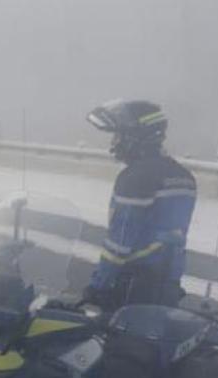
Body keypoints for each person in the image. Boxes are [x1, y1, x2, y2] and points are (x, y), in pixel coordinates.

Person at [83, 100, 196, 312]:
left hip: (131, 286)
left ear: (135, 136)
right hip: (168, 284)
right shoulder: (184, 176)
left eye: (118, 136)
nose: (114, 144)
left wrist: (98, 286)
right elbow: (177, 236)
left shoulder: (134, 179)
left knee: (111, 342)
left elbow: (119, 244)